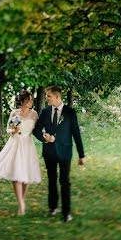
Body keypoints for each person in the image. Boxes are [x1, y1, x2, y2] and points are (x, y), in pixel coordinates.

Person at [33, 85, 86, 222]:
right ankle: (53, 207)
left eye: (48, 96)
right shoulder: (45, 112)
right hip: (49, 152)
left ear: (57, 97)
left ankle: (66, 212)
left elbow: (76, 134)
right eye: (46, 96)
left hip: (65, 151)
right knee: (51, 180)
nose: (46, 98)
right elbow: (37, 130)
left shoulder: (70, 112)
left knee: (65, 181)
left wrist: (82, 155)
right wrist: (45, 136)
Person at [0, 90, 41, 215]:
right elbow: (9, 129)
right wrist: (13, 131)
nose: (31, 102)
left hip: (27, 145)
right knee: (17, 173)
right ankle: (21, 204)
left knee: (26, 176)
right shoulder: (15, 113)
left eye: (32, 100)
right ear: (22, 101)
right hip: (16, 143)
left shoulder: (34, 114)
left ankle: (22, 199)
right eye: (29, 100)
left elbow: (38, 130)